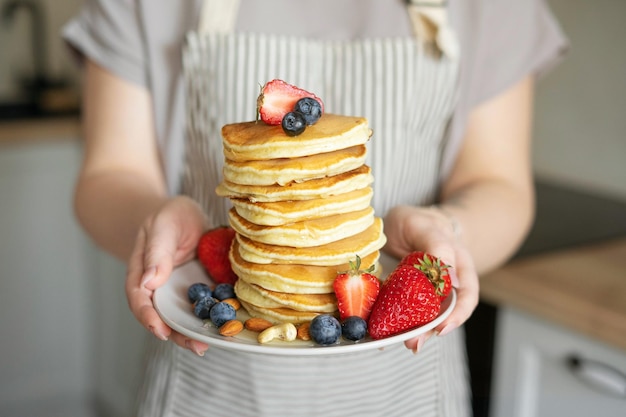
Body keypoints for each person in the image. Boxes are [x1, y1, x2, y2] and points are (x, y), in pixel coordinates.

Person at [63, 0, 567, 416]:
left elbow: (499, 184)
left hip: (407, 390)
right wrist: (154, 223)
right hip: (206, 383)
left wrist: (449, 231)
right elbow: (109, 175)